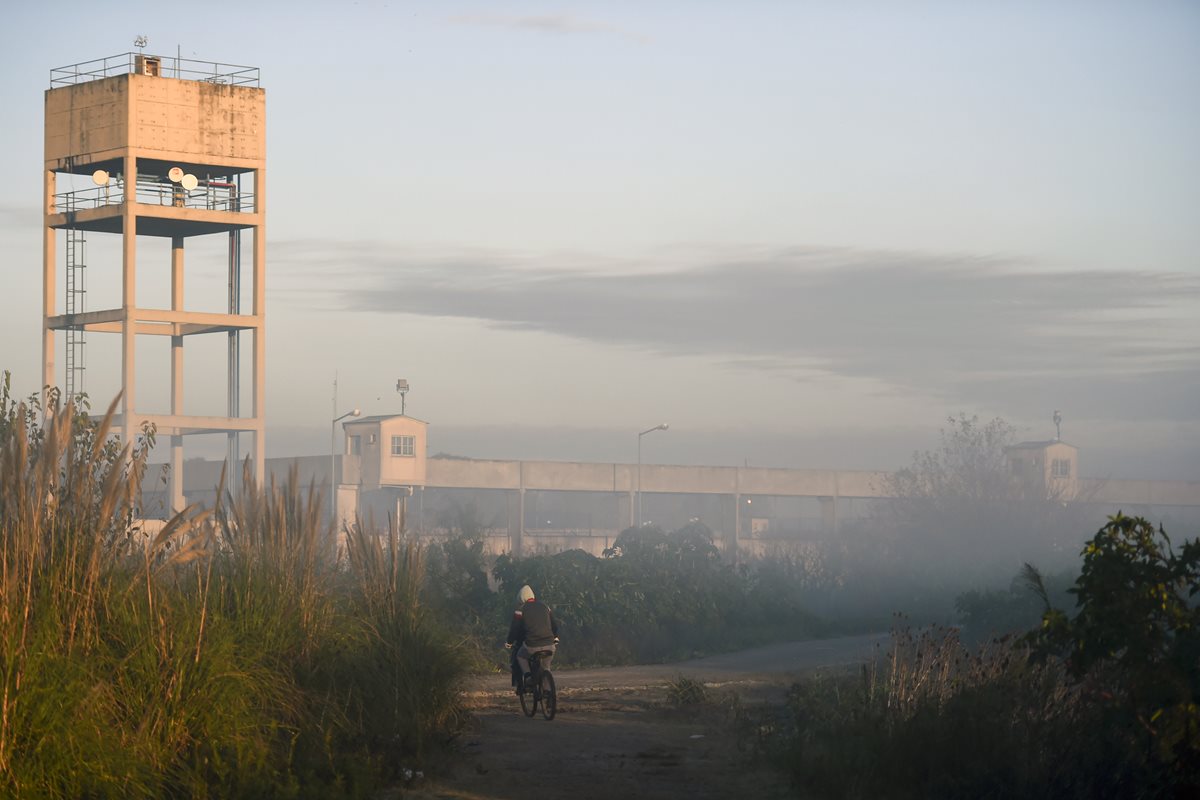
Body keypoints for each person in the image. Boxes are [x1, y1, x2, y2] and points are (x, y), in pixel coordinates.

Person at [504, 584, 559, 692]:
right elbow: (554, 625)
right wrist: (556, 637)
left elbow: (515, 630)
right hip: (550, 645)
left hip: (531, 645)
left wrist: (509, 642)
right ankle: (548, 693)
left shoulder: (520, 610)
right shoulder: (545, 606)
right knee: (546, 668)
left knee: (521, 656)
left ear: (521, 598)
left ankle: (528, 677)